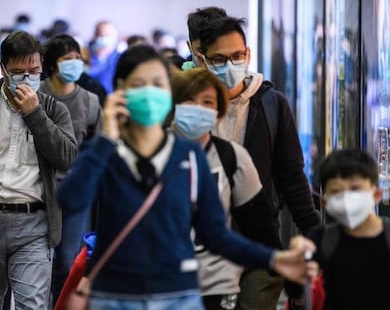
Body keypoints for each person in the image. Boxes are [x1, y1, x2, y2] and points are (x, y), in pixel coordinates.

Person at [57, 44, 315, 310]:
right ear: (121, 89)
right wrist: (107, 137)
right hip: (114, 297)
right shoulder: (106, 153)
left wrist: (274, 259)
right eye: (139, 84)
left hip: (177, 296)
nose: (149, 92)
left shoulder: (189, 156)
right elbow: (71, 200)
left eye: (158, 84)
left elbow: (216, 234)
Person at [197, 16, 321, 310]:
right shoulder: (189, 106)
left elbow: (291, 174)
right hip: (203, 249)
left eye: (237, 56)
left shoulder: (271, 103)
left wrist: (314, 231)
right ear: (202, 60)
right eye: (219, 59)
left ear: (248, 54)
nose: (230, 65)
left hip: (259, 238)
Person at [0, 31, 77, 310]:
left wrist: (35, 115)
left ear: (42, 68)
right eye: (18, 71)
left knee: (32, 305)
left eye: (33, 71)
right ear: (3, 68)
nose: (26, 78)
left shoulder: (53, 109)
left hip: (34, 225)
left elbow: (67, 158)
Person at [171, 67, 279, 309]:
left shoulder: (232, 157)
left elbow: (260, 225)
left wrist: (279, 268)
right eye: (188, 100)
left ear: (218, 111)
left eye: (207, 102)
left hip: (216, 285)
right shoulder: (151, 153)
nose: (198, 108)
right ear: (175, 105)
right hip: (161, 283)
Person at [40, 33, 102, 303]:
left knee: (67, 260)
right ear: (53, 64)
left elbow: (99, 147)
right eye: (68, 59)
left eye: (78, 58)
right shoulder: (37, 93)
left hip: (76, 190)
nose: (75, 63)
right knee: (41, 260)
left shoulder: (90, 100)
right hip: (39, 187)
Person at [287, 148, 390, 309]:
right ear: (325, 202)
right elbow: (297, 298)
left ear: (377, 194)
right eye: (336, 192)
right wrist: (296, 267)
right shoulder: (320, 239)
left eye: (355, 189)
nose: (347, 198)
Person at [87, 21, 121, 94]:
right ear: (95, 37)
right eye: (101, 35)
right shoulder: (87, 55)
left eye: (108, 35)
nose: (105, 38)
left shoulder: (120, 58)